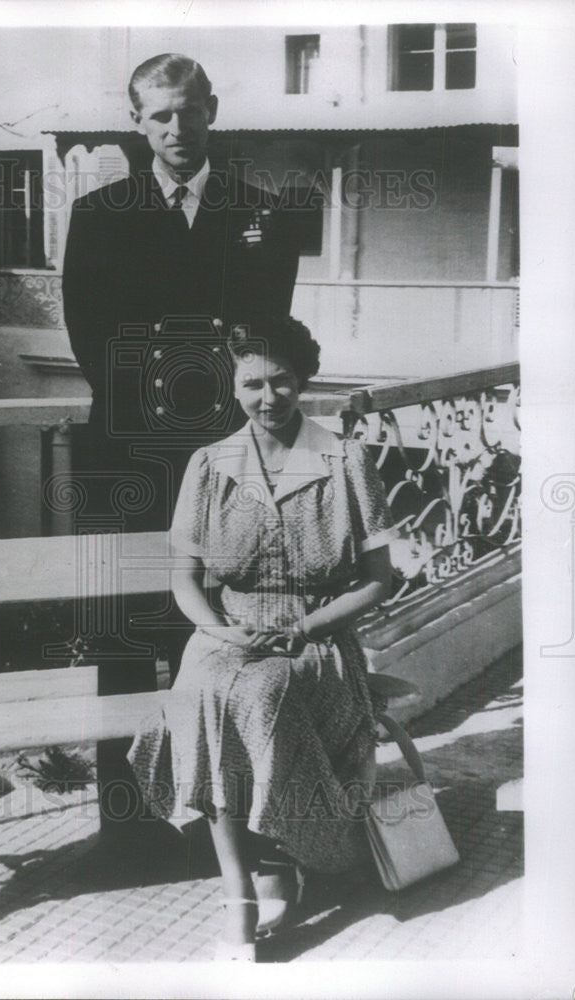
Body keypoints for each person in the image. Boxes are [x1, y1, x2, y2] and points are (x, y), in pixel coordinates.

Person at [127, 316, 398, 960]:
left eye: (280, 381)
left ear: (303, 382)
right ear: (235, 385)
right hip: (228, 633)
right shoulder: (209, 464)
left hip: (317, 636)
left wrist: (302, 627)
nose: (266, 397)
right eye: (252, 383)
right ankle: (241, 888)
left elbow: (378, 581)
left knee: (254, 694)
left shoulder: (345, 460)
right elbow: (186, 580)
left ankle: (268, 873)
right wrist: (220, 628)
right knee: (207, 690)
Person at [62, 52, 302, 533]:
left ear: (210, 110)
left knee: (231, 580)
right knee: (127, 590)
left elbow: (266, 332)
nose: (177, 128)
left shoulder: (263, 212)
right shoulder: (100, 215)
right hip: (131, 435)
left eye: (189, 111)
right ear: (138, 122)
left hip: (229, 434)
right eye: (161, 115)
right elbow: (88, 333)